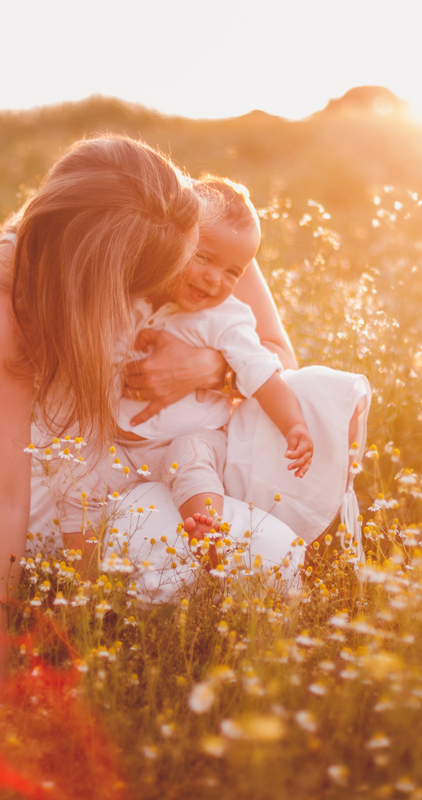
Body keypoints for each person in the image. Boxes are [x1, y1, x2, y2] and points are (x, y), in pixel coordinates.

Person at [0, 137, 307, 684]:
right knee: (166, 569)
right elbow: (5, 483)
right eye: (178, 267)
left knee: (262, 561)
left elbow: (280, 357)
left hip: (172, 454)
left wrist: (204, 368)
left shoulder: (196, 225)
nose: (203, 279)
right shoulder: (20, 278)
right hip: (77, 473)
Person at [116, 178, 315, 546]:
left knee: (190, 457)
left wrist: (295, 426)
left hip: (190, 436)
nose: (214, 279)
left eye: (232, 272)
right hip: (123, 445)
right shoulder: (143, 300)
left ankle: (207, 529)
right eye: (204, 258)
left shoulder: (227, 319)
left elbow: (267, 375)